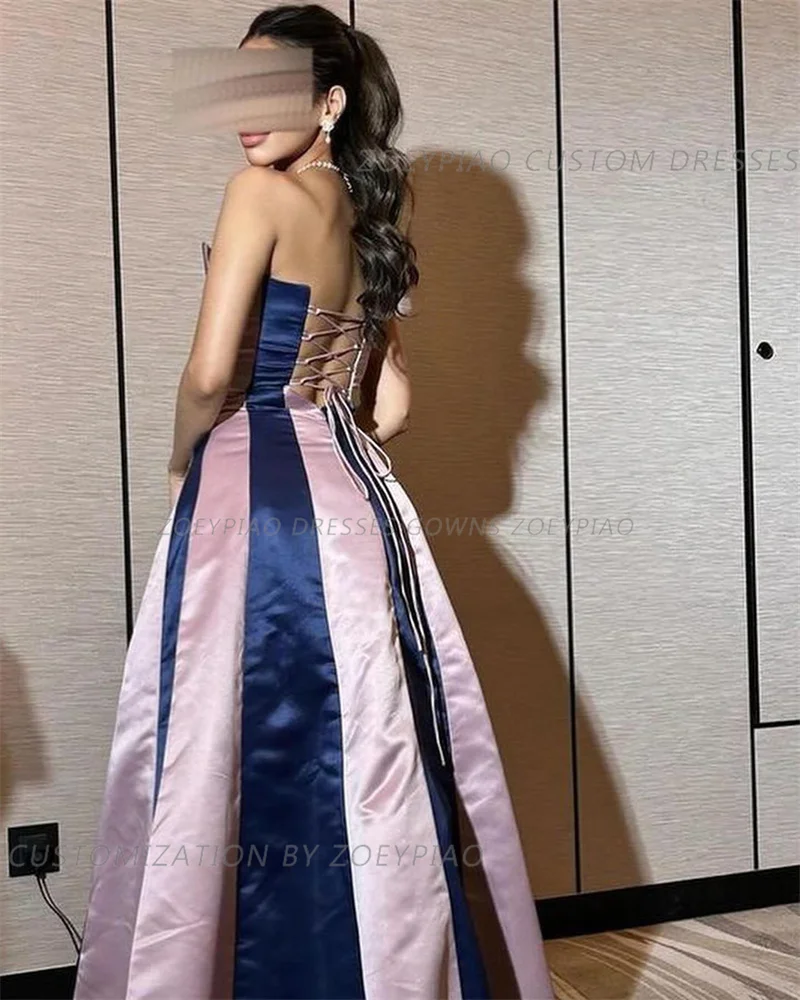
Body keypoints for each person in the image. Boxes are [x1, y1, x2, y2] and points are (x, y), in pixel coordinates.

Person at [73, 6, 554, 999]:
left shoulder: (258, 193)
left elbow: (210, 374)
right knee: (367, 742)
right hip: (361, 503)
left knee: (232, 742)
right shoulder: (371, 225)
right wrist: (322, 419)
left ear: (329, 103)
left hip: (256, 495)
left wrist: (179, 461)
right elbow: (392, 409)